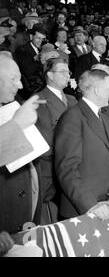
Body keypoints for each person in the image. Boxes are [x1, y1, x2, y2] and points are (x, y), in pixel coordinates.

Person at [54, 69, 109, 219]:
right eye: (108, 88)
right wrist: (89, 204)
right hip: (84, 210)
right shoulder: (72, 118)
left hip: (108, 204)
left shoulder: (105, 116)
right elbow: (67, 169)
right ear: (97, 90)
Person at [0, 54, 45, 233]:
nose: (20, 85)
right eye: (14, 79)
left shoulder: (10, 104)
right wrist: (17, 124)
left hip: (26, 218)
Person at [35, 53, 77, 223]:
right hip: (52, 173)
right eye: (62, 72)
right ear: (50, 75)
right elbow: (46, 142)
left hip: (74, 169)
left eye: (68, 72)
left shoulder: (72, 100)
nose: (68, 75)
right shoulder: (39, 101)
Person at [14, 24, 47, 99]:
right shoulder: (22, 50)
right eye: (38, 38)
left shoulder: (41, 49)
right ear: (31, 37)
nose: (40, 41)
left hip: (40, 87)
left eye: (43, 39)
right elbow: (28, 71)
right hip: (30, 90)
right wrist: (41, 62)